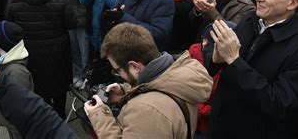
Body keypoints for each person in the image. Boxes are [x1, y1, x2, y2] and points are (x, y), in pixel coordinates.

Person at [207, 0, 298, 139]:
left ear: (292, 3)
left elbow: (281, 105)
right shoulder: (250, 20)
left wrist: (234, 60)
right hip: (221, 126)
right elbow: (225, 66)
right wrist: (216, 59)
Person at [84, 23, 213, 138]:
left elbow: (153, 108)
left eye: (118, 70)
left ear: (135, 66)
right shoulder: (182, 74)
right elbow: (163, 86)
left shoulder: (146, 112)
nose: (118, 74)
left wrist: (100, 116)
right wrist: (126, 91)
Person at [0, 42, 77, 138]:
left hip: (17, 122)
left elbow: (31, 114)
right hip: (16, 119)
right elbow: (38, 116)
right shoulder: (4, 64)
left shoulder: (17, 71)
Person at [6, 0, 74, 119]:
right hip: (57, 50)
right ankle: (59, 115)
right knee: (58, 85)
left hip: (28, 50)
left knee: (36, 85)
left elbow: (9, 21)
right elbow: (71, 23)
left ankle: (42, 116)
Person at [0, 21, 34, 139]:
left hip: (17, 123)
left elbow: (20, 105)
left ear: (2, 43)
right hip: (10, 118)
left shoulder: (16, 72)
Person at [58, 0, 90, 87]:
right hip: (70, 18)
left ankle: (85, 75)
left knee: (84, 50)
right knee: (74, 49)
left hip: (83, 18)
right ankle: (77, 74)